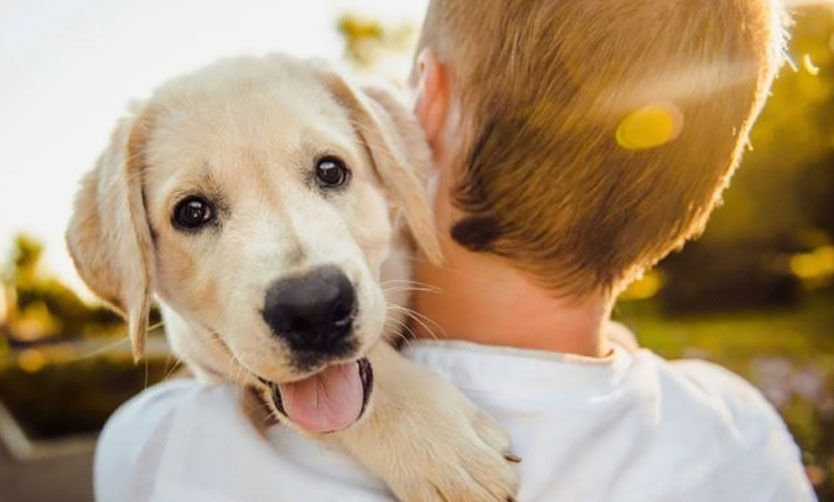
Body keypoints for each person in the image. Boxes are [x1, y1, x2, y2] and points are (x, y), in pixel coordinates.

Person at [95, 0, 816, 500]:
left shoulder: (159, 450)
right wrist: (385, 405)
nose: (303, 274)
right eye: (195, 212)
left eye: (329, 172)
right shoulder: (741, 431)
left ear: (421, 109)